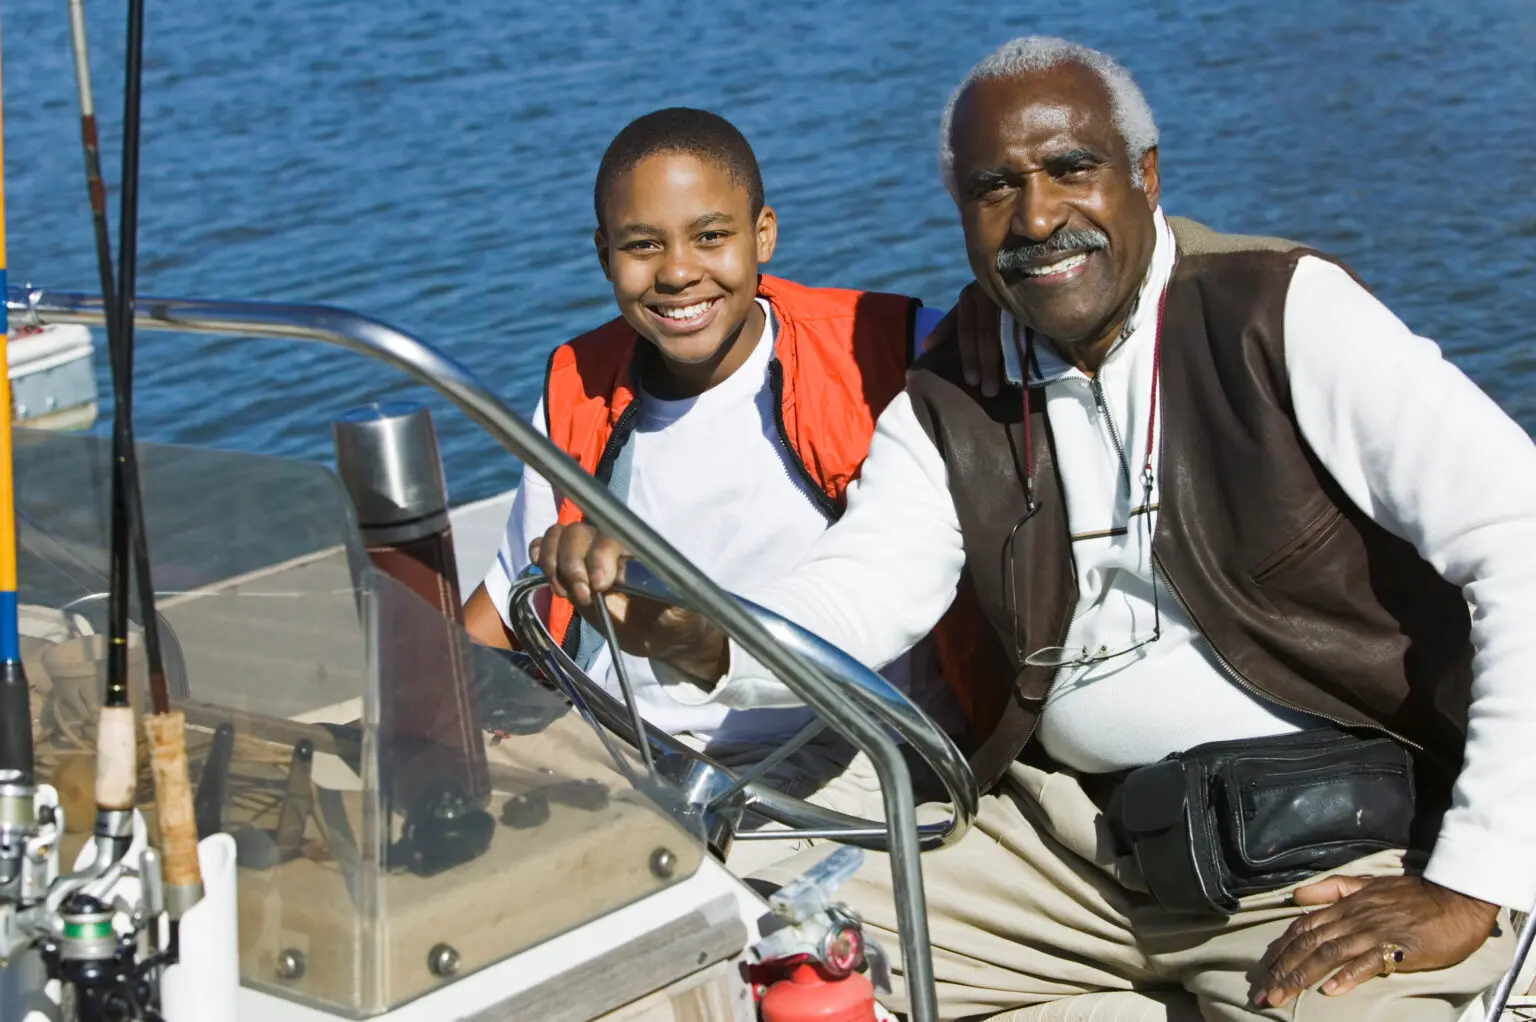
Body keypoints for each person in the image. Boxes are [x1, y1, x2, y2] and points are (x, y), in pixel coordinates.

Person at [531, 38, 1534, 1021]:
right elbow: (858, 595)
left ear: (1144, 175)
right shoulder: (950, 386)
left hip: (1322, 854)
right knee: (739, 929)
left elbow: (1517, 536)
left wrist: (1475, 875)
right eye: (994, 187)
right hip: (1066, 845)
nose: (1038, 215)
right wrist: (686, 628)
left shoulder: (1280, 310)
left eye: (1070, 168)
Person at [462, 107, 966, 871]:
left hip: (824, 752)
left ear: (763, 234)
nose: (676, 273)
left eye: (710, 236)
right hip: (623, 741)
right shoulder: (577, 387)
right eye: (641, 246)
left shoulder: (887, 349)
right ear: (604, 256)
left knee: (674, 902)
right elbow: (500, 612)